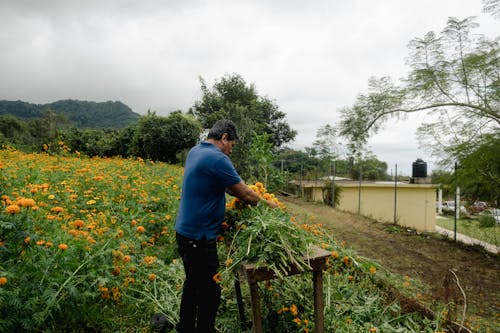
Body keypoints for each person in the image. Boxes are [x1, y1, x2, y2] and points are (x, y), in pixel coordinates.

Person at [174, 119, 278, 333]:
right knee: (210, 289)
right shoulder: (217, 158)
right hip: (199, 237)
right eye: (232, 144)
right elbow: (245, 193)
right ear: (223, 138)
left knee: (193, 285)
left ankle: (185, 327)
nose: (231, 149)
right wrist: (271, 206)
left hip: (186, 232)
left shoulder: (196, 151)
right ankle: (204, 328)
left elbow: (228, 187)